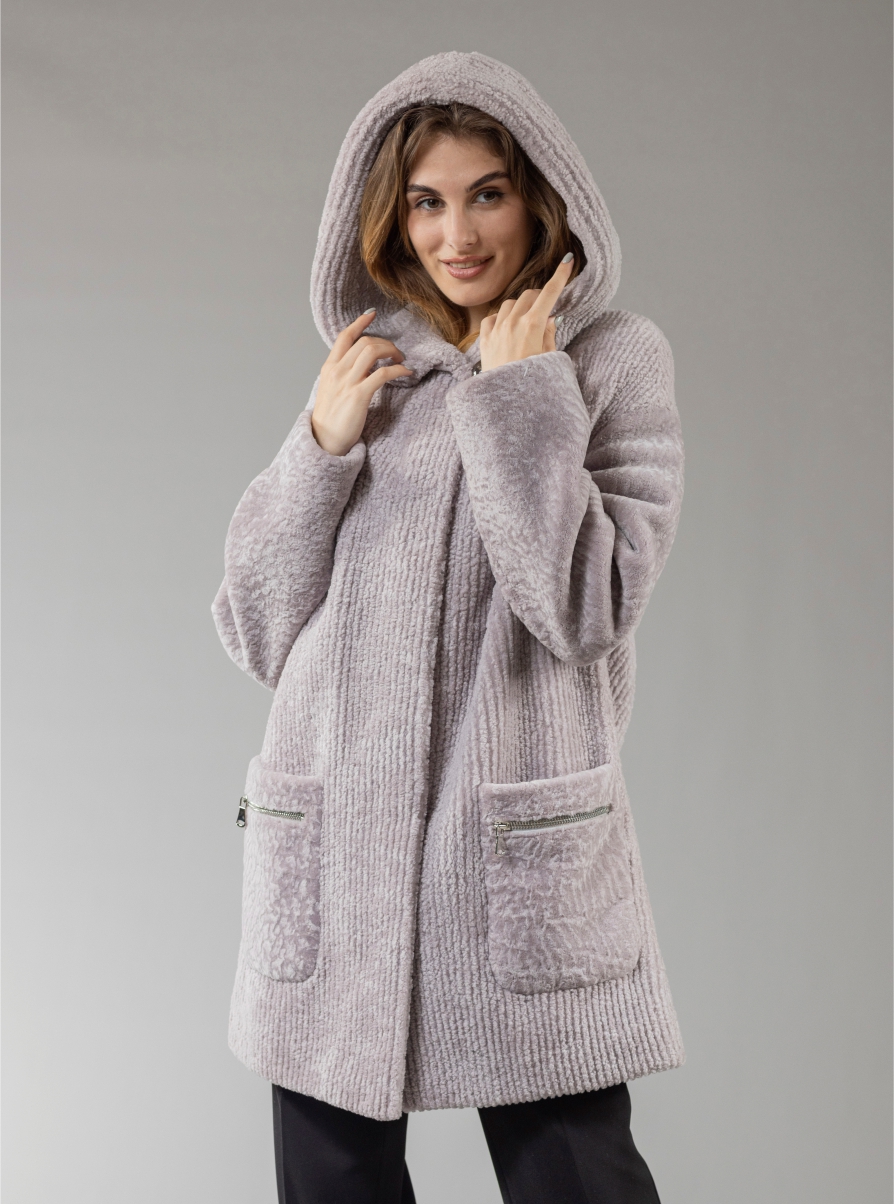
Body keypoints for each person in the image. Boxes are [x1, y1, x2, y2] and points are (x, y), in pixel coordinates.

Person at [213, 50, 685, 1204]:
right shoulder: (363, 369)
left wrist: (522, 396)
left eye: (488, 193)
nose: (456, 234)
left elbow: (582, 608)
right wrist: (317, 449)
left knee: (577, 1177)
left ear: (541, 198)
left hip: (514, 864)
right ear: (391, 214)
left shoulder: (610, 362)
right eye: (427, 201)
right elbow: (255, 627)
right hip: (335, 861)